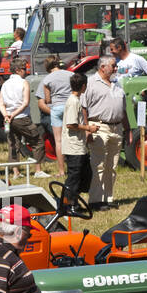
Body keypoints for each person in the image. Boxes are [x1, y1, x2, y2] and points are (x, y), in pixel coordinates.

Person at [83, 54, 125, 210]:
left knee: (112, 166)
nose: (116, 68)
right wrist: (87, 129)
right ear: (102, 67)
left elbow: (123, 107)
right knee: (99, 164)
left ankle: (108, 197)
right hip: (98, 126)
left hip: (117, 127)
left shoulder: (117, 83)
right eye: (113, 66)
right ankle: (95, 200)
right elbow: (83, 108)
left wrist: (127, 128)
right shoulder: (90, 83)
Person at [0, 57, 45, 173]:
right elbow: (25, 103)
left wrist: (6, 115)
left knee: (13, 144)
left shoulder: (5, 84)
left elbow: (1, 104)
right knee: (37, 141)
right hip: (22, 118)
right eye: (24, 69)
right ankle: (38, 170)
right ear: (18, 70)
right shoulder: (24, 82)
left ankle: (15, 172)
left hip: (7, 119)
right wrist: (13, 115)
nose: (26, 71)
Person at [59, 71, 95, 213]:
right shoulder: (73, 101)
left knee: (85, 175)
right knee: (73, 178)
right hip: (73, 146)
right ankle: (67, 204)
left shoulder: (75, 100)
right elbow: (71, 124)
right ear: (83, 86)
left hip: (79, 146)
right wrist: (88, 128)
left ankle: (74, 200)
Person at [39, 55, 72, 175]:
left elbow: (47, 100)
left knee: (58, 141)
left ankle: (61, 170)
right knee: (72, 138)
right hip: (70, 108)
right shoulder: (71, 75)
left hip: (57, 109)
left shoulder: (47, 79)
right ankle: (73, 167)